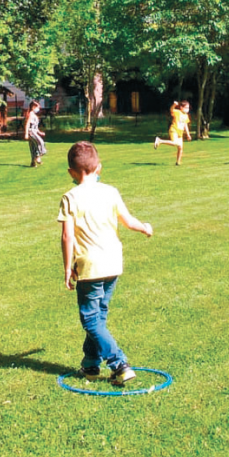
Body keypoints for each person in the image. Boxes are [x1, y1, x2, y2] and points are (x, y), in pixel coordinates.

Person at [58, 141, 153, 386]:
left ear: (71, 172)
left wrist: (68, 267)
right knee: (98, 316)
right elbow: (129, 220)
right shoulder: (110, 191)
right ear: (99, 167)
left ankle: (119, 363)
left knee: (90, 319)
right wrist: (146, 228)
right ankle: (90, 365)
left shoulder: (69, 197)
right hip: (113, 263)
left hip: (89, 266)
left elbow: (67, 236)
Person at [154, 100, 192, 166]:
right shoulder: (177, 112)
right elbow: (171, 109)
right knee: (174, 143)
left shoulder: (186, 116)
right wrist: (174, 105)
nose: (187, 109)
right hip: (174, 129)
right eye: (186, 108)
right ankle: (159, 140)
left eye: (188, 108)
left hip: (180, 132)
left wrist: (188, 134)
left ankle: (178, 162)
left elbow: (185, 125)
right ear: (181, 107)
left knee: (180, 147)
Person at [24, 100, 47, 167]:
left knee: (33, 147)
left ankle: (33, 163)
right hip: (31, 132)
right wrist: (26, 133)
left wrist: (39, 132)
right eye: (38, 107)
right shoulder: (30, 114)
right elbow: (27, 124)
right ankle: (38, 156)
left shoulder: (34, 115)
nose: (38, 109)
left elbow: (35, 126)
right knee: (40, 143)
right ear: (33, 107)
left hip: (34, 131)